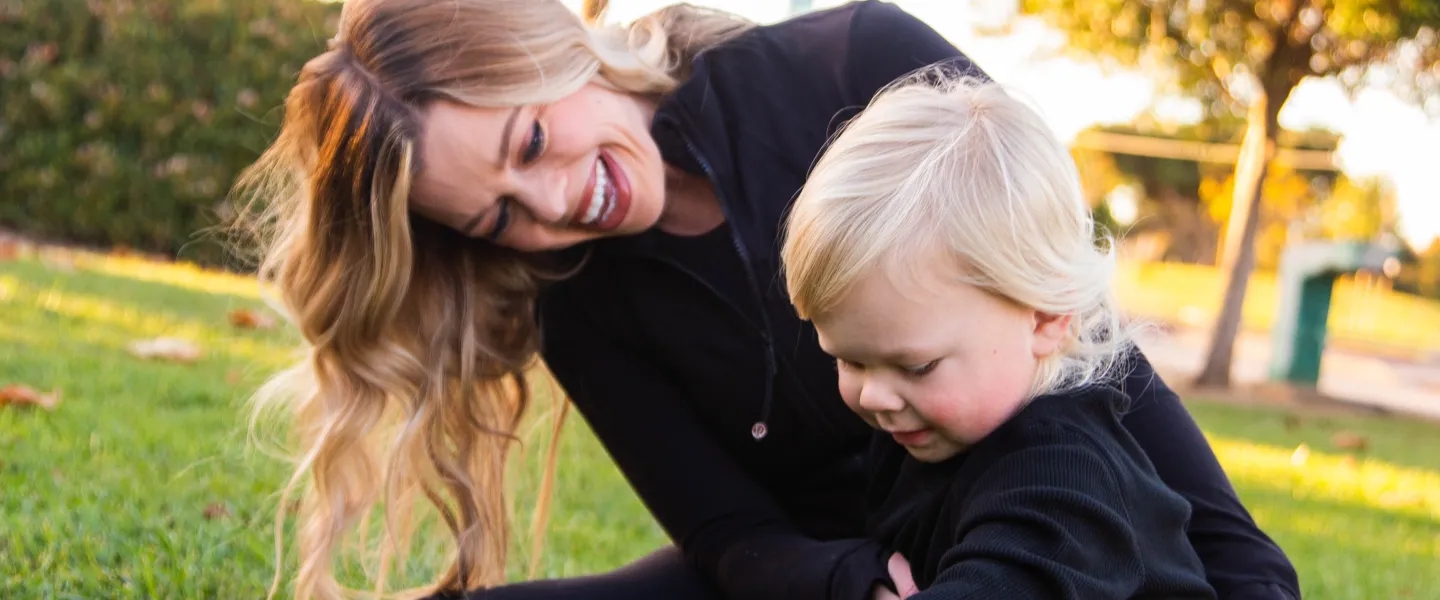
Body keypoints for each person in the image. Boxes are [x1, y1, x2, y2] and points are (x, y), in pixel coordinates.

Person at [233, 0, 1300, 599]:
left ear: (551, 50)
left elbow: (1075, 327)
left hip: (1017, 508)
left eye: (531, 143)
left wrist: (1248, 571)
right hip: (835, 566)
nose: (557, 204)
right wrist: (848, 585)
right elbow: (726, 529)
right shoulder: (572, 290)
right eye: (499, 216)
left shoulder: (860, 61)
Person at [781, 72, 1218, 599]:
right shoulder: (930, 431)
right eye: (850, 361)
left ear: (1045, 317)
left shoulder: (1065, 479)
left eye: (914, 366)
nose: (873, 394)